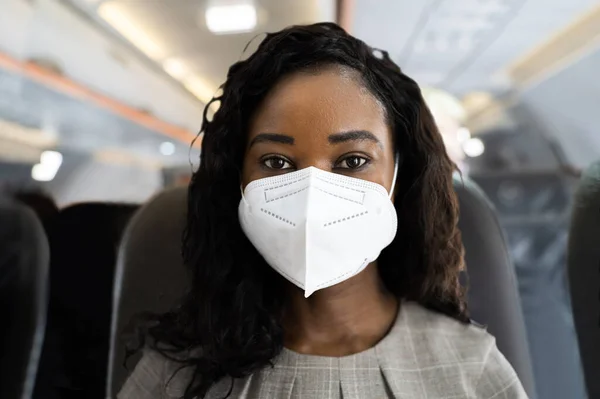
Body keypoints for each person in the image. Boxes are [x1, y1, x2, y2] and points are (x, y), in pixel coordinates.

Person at [119, 23, 528, 398]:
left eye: (352, 161)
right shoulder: (175, 374)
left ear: (398, 176)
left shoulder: (469, 369)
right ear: (238, 180)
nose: (312, 198)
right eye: (277, 162)